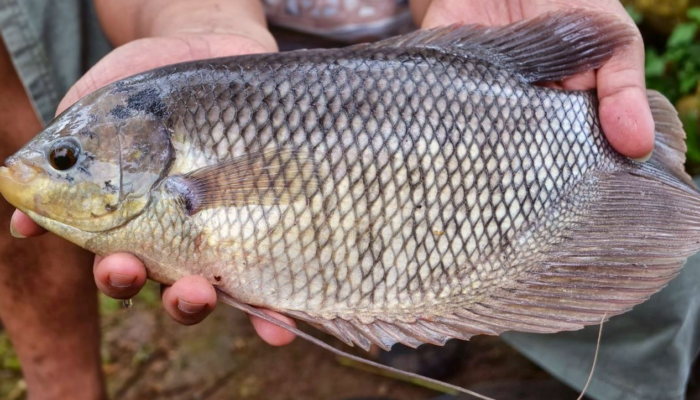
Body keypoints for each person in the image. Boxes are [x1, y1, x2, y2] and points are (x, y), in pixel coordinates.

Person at [1, 1, 687, 399]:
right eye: (65, 159)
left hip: (427, 59)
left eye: (65, 160)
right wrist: (190, 12)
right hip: (238, 38)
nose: (40, 169)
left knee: (668, 268)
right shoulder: (153, 114)